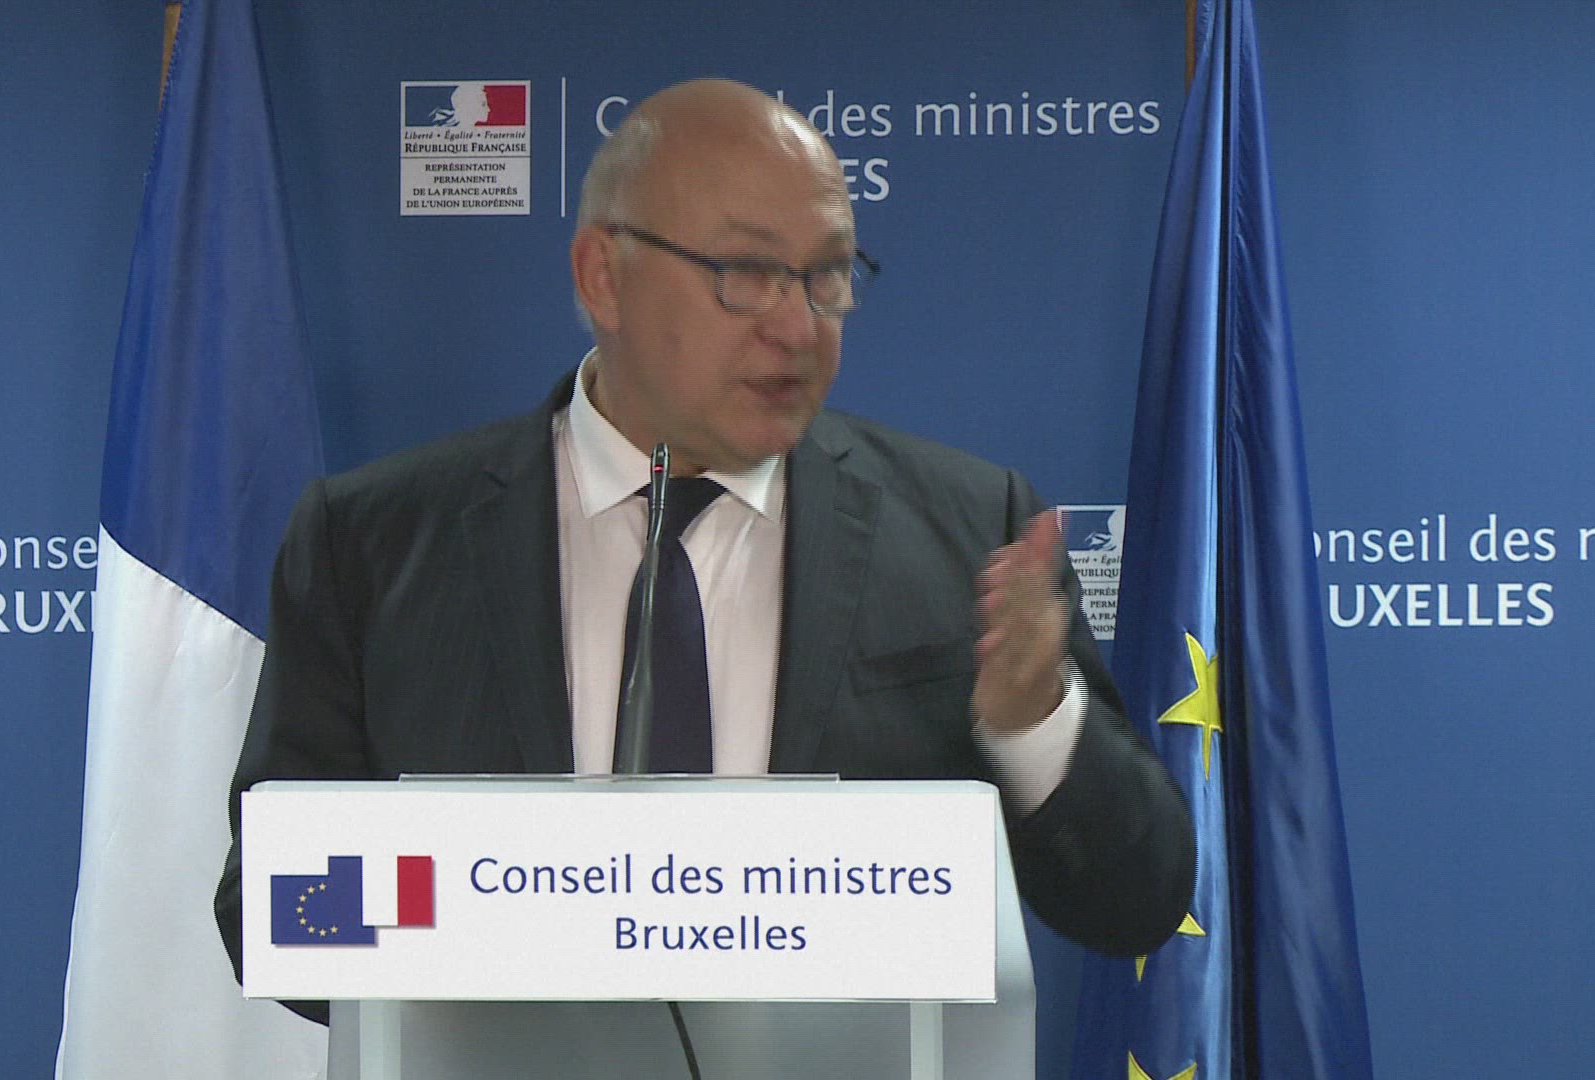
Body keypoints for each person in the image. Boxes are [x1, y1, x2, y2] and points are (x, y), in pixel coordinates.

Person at [215, 79, 1194, 1011]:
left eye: (828, 275)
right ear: (604, 276)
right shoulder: (374, 545)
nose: (799, 327)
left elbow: (1137, 901)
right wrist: (485, 911)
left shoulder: (968, 533)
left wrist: (1031, 727)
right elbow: (264, 912)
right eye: (749, 275)